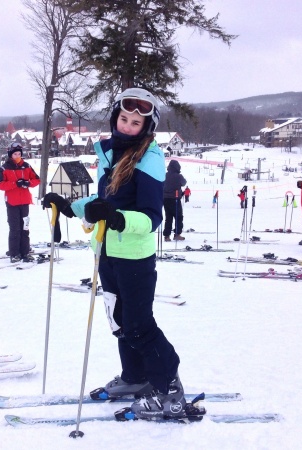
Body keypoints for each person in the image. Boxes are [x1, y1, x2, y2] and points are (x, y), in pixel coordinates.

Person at [42, 88, 204, 422]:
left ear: (147, 127)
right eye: (124, 118)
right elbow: (104, 202)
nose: (128, 125)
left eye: (136, 122)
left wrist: (118, 219)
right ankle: (136, 378)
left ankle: (170, 391)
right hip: (107, 252)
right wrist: (70, 207)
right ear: (116, 117)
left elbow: (151, 218)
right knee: (119, 322)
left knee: (139, 326)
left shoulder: (150, 158)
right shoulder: (111, 153)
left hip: (134, 256)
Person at [0, 143, 40, 262]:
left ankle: (25, 252)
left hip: (25, 201)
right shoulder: (5, 168)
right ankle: (14, 253)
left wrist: (27, 183)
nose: (18, 156)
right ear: (11, 155)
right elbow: (0, 185)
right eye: (15, 154)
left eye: (19, 154)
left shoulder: (26, 166)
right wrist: (15, 184)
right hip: (12, 202)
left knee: (25, 228)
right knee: (15, 228)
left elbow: (37, 179)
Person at [162, 160, 186, 242]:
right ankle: (177, 234)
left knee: (168, 218)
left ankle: (167, 236)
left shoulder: (164, 175)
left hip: (165, 199)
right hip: (175, 199)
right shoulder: (179, 176)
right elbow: (184, 183)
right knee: (178, 217)